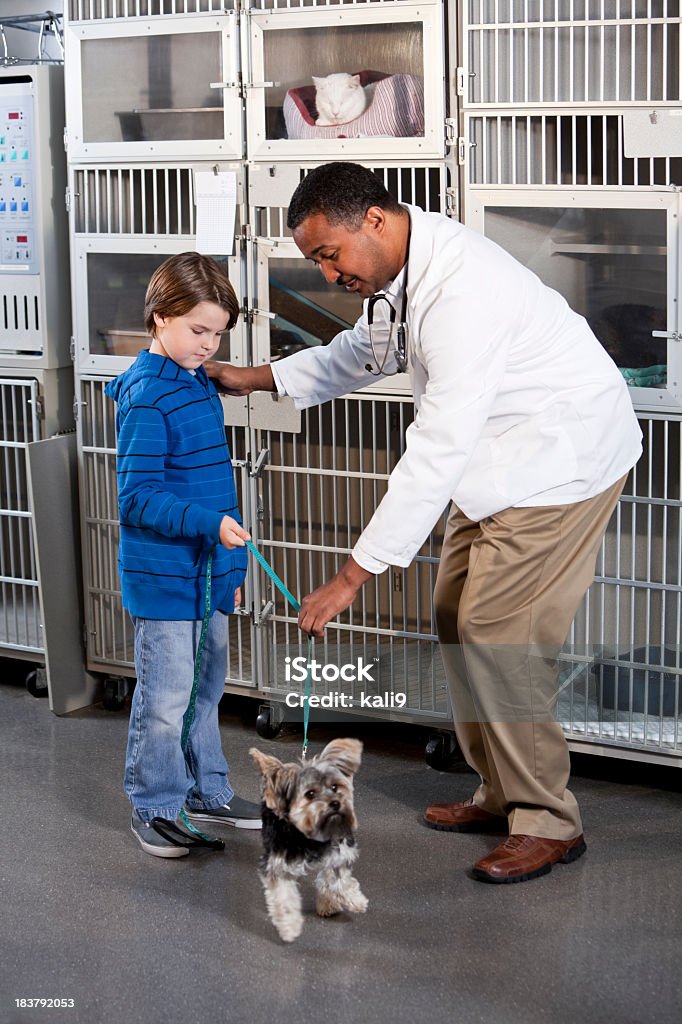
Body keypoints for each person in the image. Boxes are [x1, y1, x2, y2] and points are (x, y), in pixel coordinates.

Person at [206, 162, 643, 884]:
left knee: (499, 634)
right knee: (454, 616)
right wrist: (259, 377)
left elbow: (437, 446)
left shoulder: (460, 292)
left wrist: (353, 574)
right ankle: (500, 790)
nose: (327, 272)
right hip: (503, 460)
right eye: (315, 259)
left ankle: (548, 821)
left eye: (328, 254)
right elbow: (368, 351)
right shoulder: (401, 273)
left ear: (373, 220)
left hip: (560, 461)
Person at [105, 252, 261, 859]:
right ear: (159, 318)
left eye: (217, 333)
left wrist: (231, 570)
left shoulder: (197, 382)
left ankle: (207, 791)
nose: (208, 345)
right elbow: (137, 498)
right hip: (166, 579)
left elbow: (213, 485)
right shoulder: (148, 396)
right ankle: (155, 805)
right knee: (165, 700)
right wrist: (211, 527)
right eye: (198, 330)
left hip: (206, 575)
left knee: (206, 691)